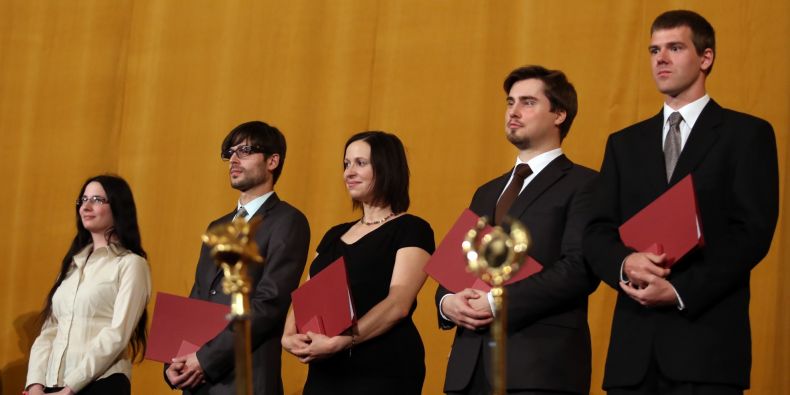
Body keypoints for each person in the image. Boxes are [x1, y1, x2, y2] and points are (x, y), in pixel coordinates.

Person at [583, 10, 779, 395]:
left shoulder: (747, 134)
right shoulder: (624, 143)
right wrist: (625, 262)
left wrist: (679, 291)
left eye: (675, 47)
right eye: (654, 49)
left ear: (706, 58)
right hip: (633, 358)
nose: (661, 58)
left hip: (707, 349)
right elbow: (596, 232)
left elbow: (752, 234)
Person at [435, 65, 599, 394]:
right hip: (470, 368)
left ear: (559, 114)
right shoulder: (487, 191)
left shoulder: (587, 184)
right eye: (510, 102)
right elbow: (454, 268)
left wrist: (498, 302)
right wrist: (447, 303)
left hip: (540, 366)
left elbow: (579, 268)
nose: (513, 111)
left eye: (527, 102)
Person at [281, 131, 435, 395]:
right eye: (346, 164)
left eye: (360, 163)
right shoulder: (333, 235)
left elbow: (398, 303)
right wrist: (288, 334)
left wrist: (345, 341)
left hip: (383, 368)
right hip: (327, 368)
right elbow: (306, 295)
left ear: (387, 168)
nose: (348, 173)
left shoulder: (412, 228)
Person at [165, 121, 310, 394]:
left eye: (244, 150)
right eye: (230, 152)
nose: (233, 159)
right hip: (198, 382)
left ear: (272, 161)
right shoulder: (216, 227)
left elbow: (269, 304)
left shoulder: (288, 221)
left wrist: (204, 360)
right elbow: (198, 297)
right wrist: (176, 361)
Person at [25, 175, 151, 395]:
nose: (86, 206)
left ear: (118, 207)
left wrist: (71, 387)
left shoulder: (131, 264)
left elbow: (117, 334)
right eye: (83, 200)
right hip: (54, 384)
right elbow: (49, 330)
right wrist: (35, 384)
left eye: (97, 199)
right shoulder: (72, 265)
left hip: (101, 383)